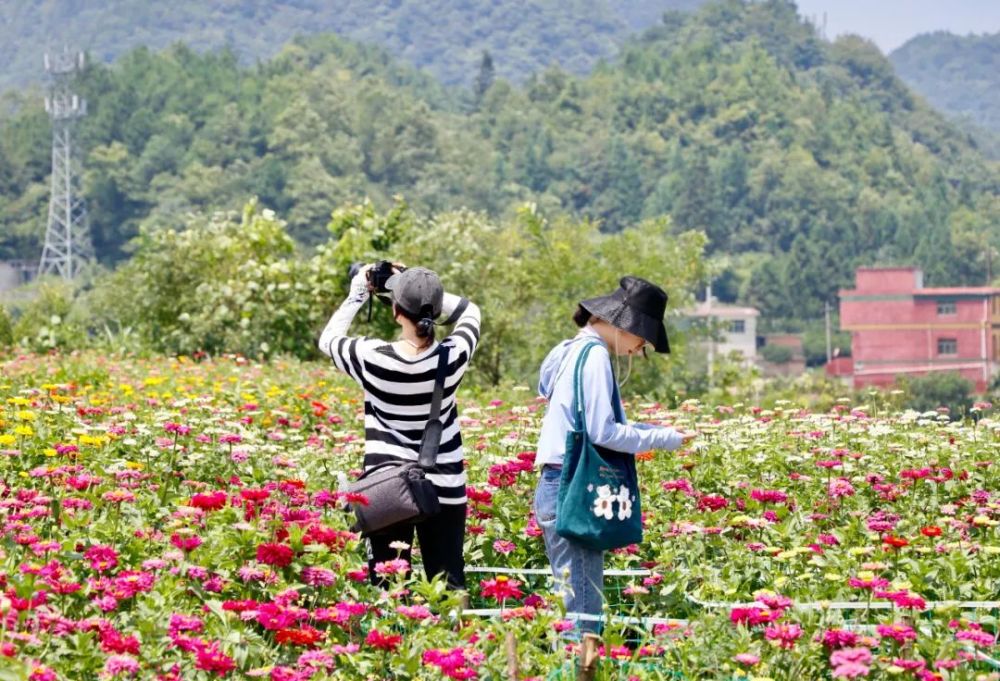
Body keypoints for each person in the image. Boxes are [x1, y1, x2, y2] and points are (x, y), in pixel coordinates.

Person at [533, 276, 695, 634]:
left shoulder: (568, 350)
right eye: (643, 339)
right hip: (572, 485)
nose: (639, 350)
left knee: (571, 599)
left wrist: (652, 430)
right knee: (584, 611)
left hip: (556, 480)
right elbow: (600, 432)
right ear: (626, 324)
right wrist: (664, 439)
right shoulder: (594, 358)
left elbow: (574, 411)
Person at [318, 263, 481, 590]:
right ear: (434, 312)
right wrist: (417, 287)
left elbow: (329, 339)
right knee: (449, 582)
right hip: (445, 485)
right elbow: (470, 312)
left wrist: (361, 292)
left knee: (389, 585)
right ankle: (458, 640)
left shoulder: (372, 356)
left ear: (395, 311)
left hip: (386, 487)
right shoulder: (454, 355)